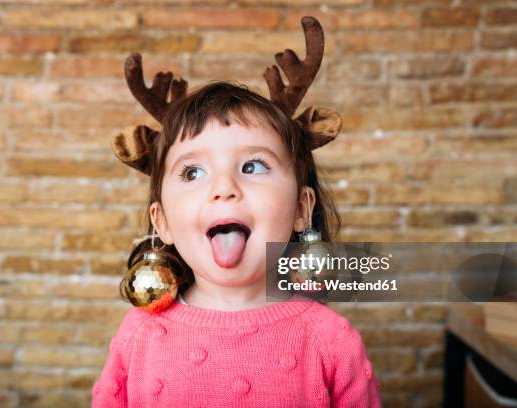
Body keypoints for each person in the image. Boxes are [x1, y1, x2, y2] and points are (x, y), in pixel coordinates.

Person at [92, 16, 382, 408]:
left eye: (253, 167)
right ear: (161, 222)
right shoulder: (138, 335)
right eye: (193, 172)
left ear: (301, 208)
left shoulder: (330, 339)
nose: (224, 188)